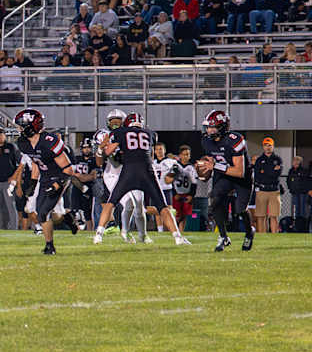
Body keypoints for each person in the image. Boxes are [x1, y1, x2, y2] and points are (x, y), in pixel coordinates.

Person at [94, 112, 190, 247]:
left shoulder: (120, 133)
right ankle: (177, 237)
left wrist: (101, 150)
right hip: (144, 171)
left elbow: (107, 152)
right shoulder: (150, 133)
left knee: (115, 202)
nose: (115, 123)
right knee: (161, 206)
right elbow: (148, 154)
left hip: (128, 171)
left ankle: (99, 234)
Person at [13, 109, 83, 254]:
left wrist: (57, 185)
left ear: (31, 127)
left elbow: (68, 169)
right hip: (44, 178)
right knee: (41, 213)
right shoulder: (23, 143)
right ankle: (67, 219)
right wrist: (32, 183)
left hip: (59, 177)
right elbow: (36, 163)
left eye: (21, 126)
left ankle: (49, 246)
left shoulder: (48, 142)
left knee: (43, 213)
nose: (19, 129)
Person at [197, 110, 255, 251]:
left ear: (222, 127)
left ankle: (249, 232)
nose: (209, 130)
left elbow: (239, 171)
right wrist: (204, 171)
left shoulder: (235, 140)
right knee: (215, 200)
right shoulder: (206, 141)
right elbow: (210, 163)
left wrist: (215, 166)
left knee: (240, 210)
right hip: (223, 174)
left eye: (213, 127)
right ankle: (223, 237)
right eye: (208, 127)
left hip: (242, 177)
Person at [251, 136, 283, 234]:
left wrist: (265, 171)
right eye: (265, 145)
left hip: (274, 191)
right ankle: (262, 237)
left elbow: (277, 174)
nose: (267, 147)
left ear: (273, 147)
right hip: (261, 190)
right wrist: (271, 171)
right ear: (263, 147)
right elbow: (258, 176)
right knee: (261, 216)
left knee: (274, 216)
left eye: (269, 145)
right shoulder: (259, 160)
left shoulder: (278, 159)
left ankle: (274, 237)